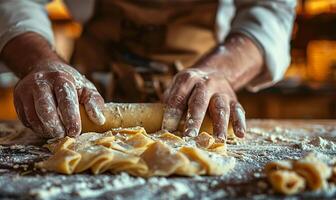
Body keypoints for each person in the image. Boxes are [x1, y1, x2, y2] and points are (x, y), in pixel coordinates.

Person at [0, 0, 296, 141]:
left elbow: (271, 10)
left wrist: (222, 71)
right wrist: (39, 61)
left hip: (201, 94)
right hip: (84, 93)